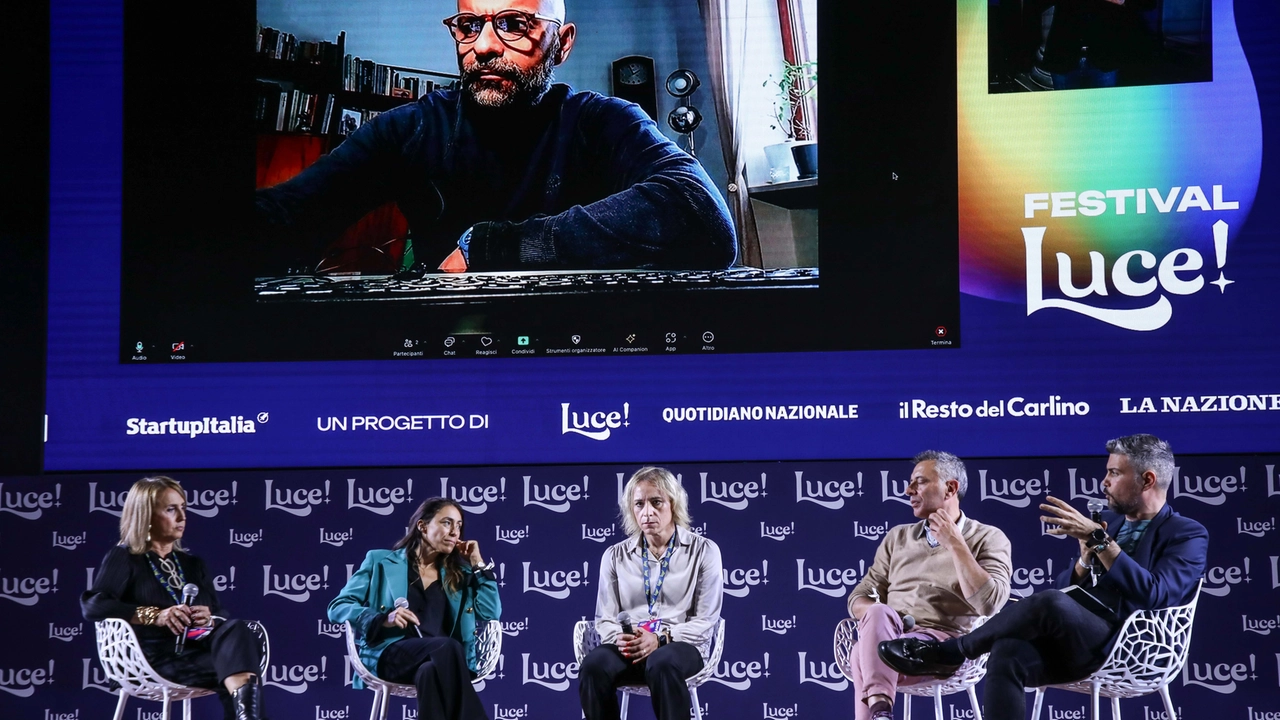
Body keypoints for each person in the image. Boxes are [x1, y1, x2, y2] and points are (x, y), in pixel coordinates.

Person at [256, 0, 736, 275]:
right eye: (469, 25)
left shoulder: (602, 121)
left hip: (581, 348)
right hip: (447, 352)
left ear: (562, 43)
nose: (484, 46)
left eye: (513, 24)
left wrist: (486, 250)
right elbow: (289, 215)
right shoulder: (411, 127)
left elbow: (701, 215)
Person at [879, 434, 1209, 720]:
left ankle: (953, 651)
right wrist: (1083, 561)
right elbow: (1070, 590)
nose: (1104, 482)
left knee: (1049, 601)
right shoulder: (1109, 522)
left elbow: (1156, 594)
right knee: (1007, 650)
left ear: (1147, 480)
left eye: (1114, 473)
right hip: (1080, 640)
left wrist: (1101, 543)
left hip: (1134, 647)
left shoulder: (1187, 534)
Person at [844, 451, 1012, 720]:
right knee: (876, 614)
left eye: (919, 482)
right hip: (891, 637)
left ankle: (878, 711)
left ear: (950, 488)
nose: (908, 490)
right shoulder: (897, 537)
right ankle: (881, 711)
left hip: (942, 648)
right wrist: (888, 620)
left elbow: (990, 603)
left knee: (860, 654)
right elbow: (860, 595)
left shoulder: (988, 537)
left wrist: (955, 543)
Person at [81, 477, 265, 720]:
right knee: (239, 669)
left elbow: (220, 613)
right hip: (149, 660)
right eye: (171, 509)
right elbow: (93, 605)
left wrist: (208, 619)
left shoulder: (193, 564)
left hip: (195, 651)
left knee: (237, 632)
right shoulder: (125, 557)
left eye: (183, 508)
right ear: (146, 516)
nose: (182, 516)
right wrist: (154, 615)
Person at [329, 497, 500, 720]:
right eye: (447, 523)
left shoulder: (462, 575)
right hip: (392, 655)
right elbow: (337, 607)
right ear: (422, 526)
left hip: (441, 662)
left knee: (429, 672)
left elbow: (490, 612)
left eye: (459, 525)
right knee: (446, 647)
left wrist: (478, 563)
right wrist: (382, 619)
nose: (454, 532)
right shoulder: (380, 560)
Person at [579, 467, 723, 720]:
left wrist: (661, 638)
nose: (647, 512)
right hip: (630, 647)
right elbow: (604, 617)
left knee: (663, 662)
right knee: (593, 666)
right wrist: (621, 639)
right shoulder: (614, 556)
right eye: (639, 504)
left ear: (673, 504)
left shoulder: (704, 551)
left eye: (656, 502)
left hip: (680, 647)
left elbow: (706, 620)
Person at [1040, 0, 1157, 90]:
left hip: (1106, 56)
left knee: (1103, 117)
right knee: (1066, 116)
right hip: (1064, 53)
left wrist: (1123, 1)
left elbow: (1149, 3)